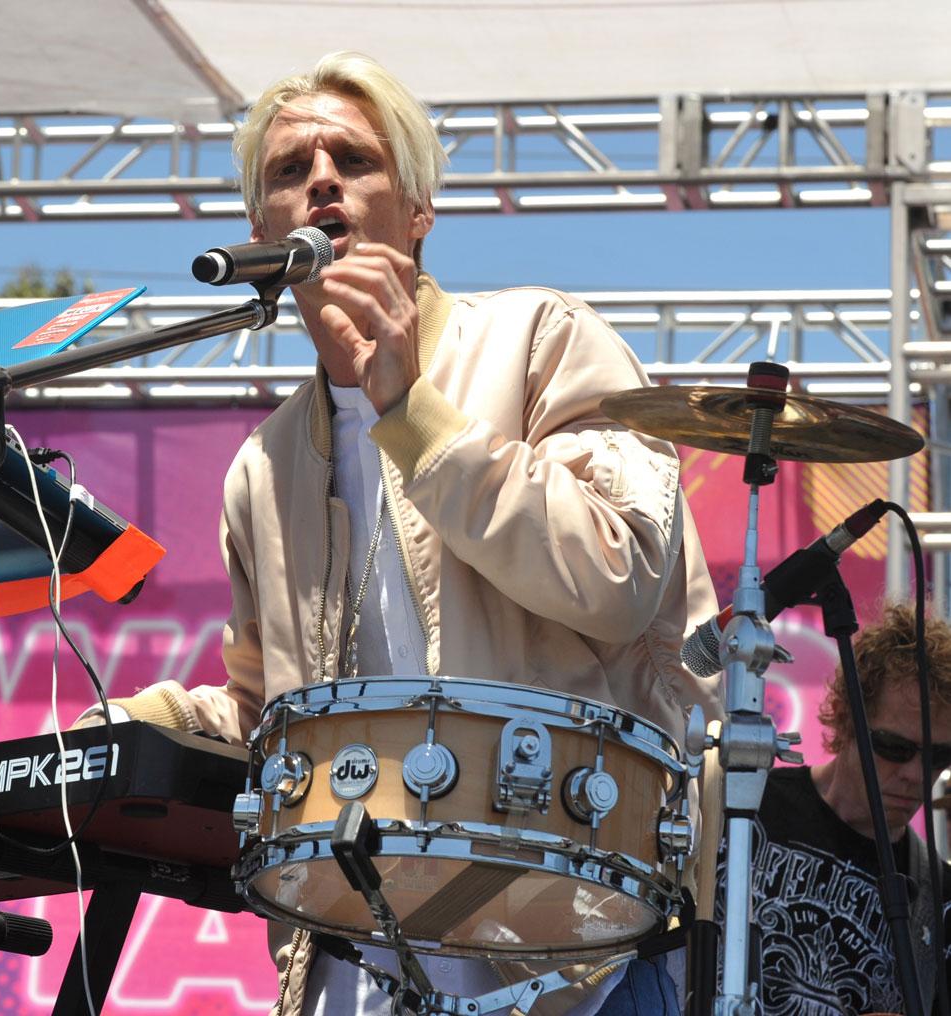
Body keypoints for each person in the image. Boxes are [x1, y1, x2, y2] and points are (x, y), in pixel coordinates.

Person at [84, 52, 721, 1015]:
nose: (322, 182)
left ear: (419, 211)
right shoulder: (262, 466)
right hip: (358, 956)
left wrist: (411, 412)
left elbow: (620, 577)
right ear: (262, 231)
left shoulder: (541, 338)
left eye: (354, 160)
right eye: (289, 172)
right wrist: (145, 723)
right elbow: (274, 712)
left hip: (569, 951)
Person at [715, 602, 951, 1016]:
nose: (916, 774)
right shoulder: (742, 805)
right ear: (844, 719)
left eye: (939, 756)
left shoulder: (939, 895)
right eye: (895, 748)